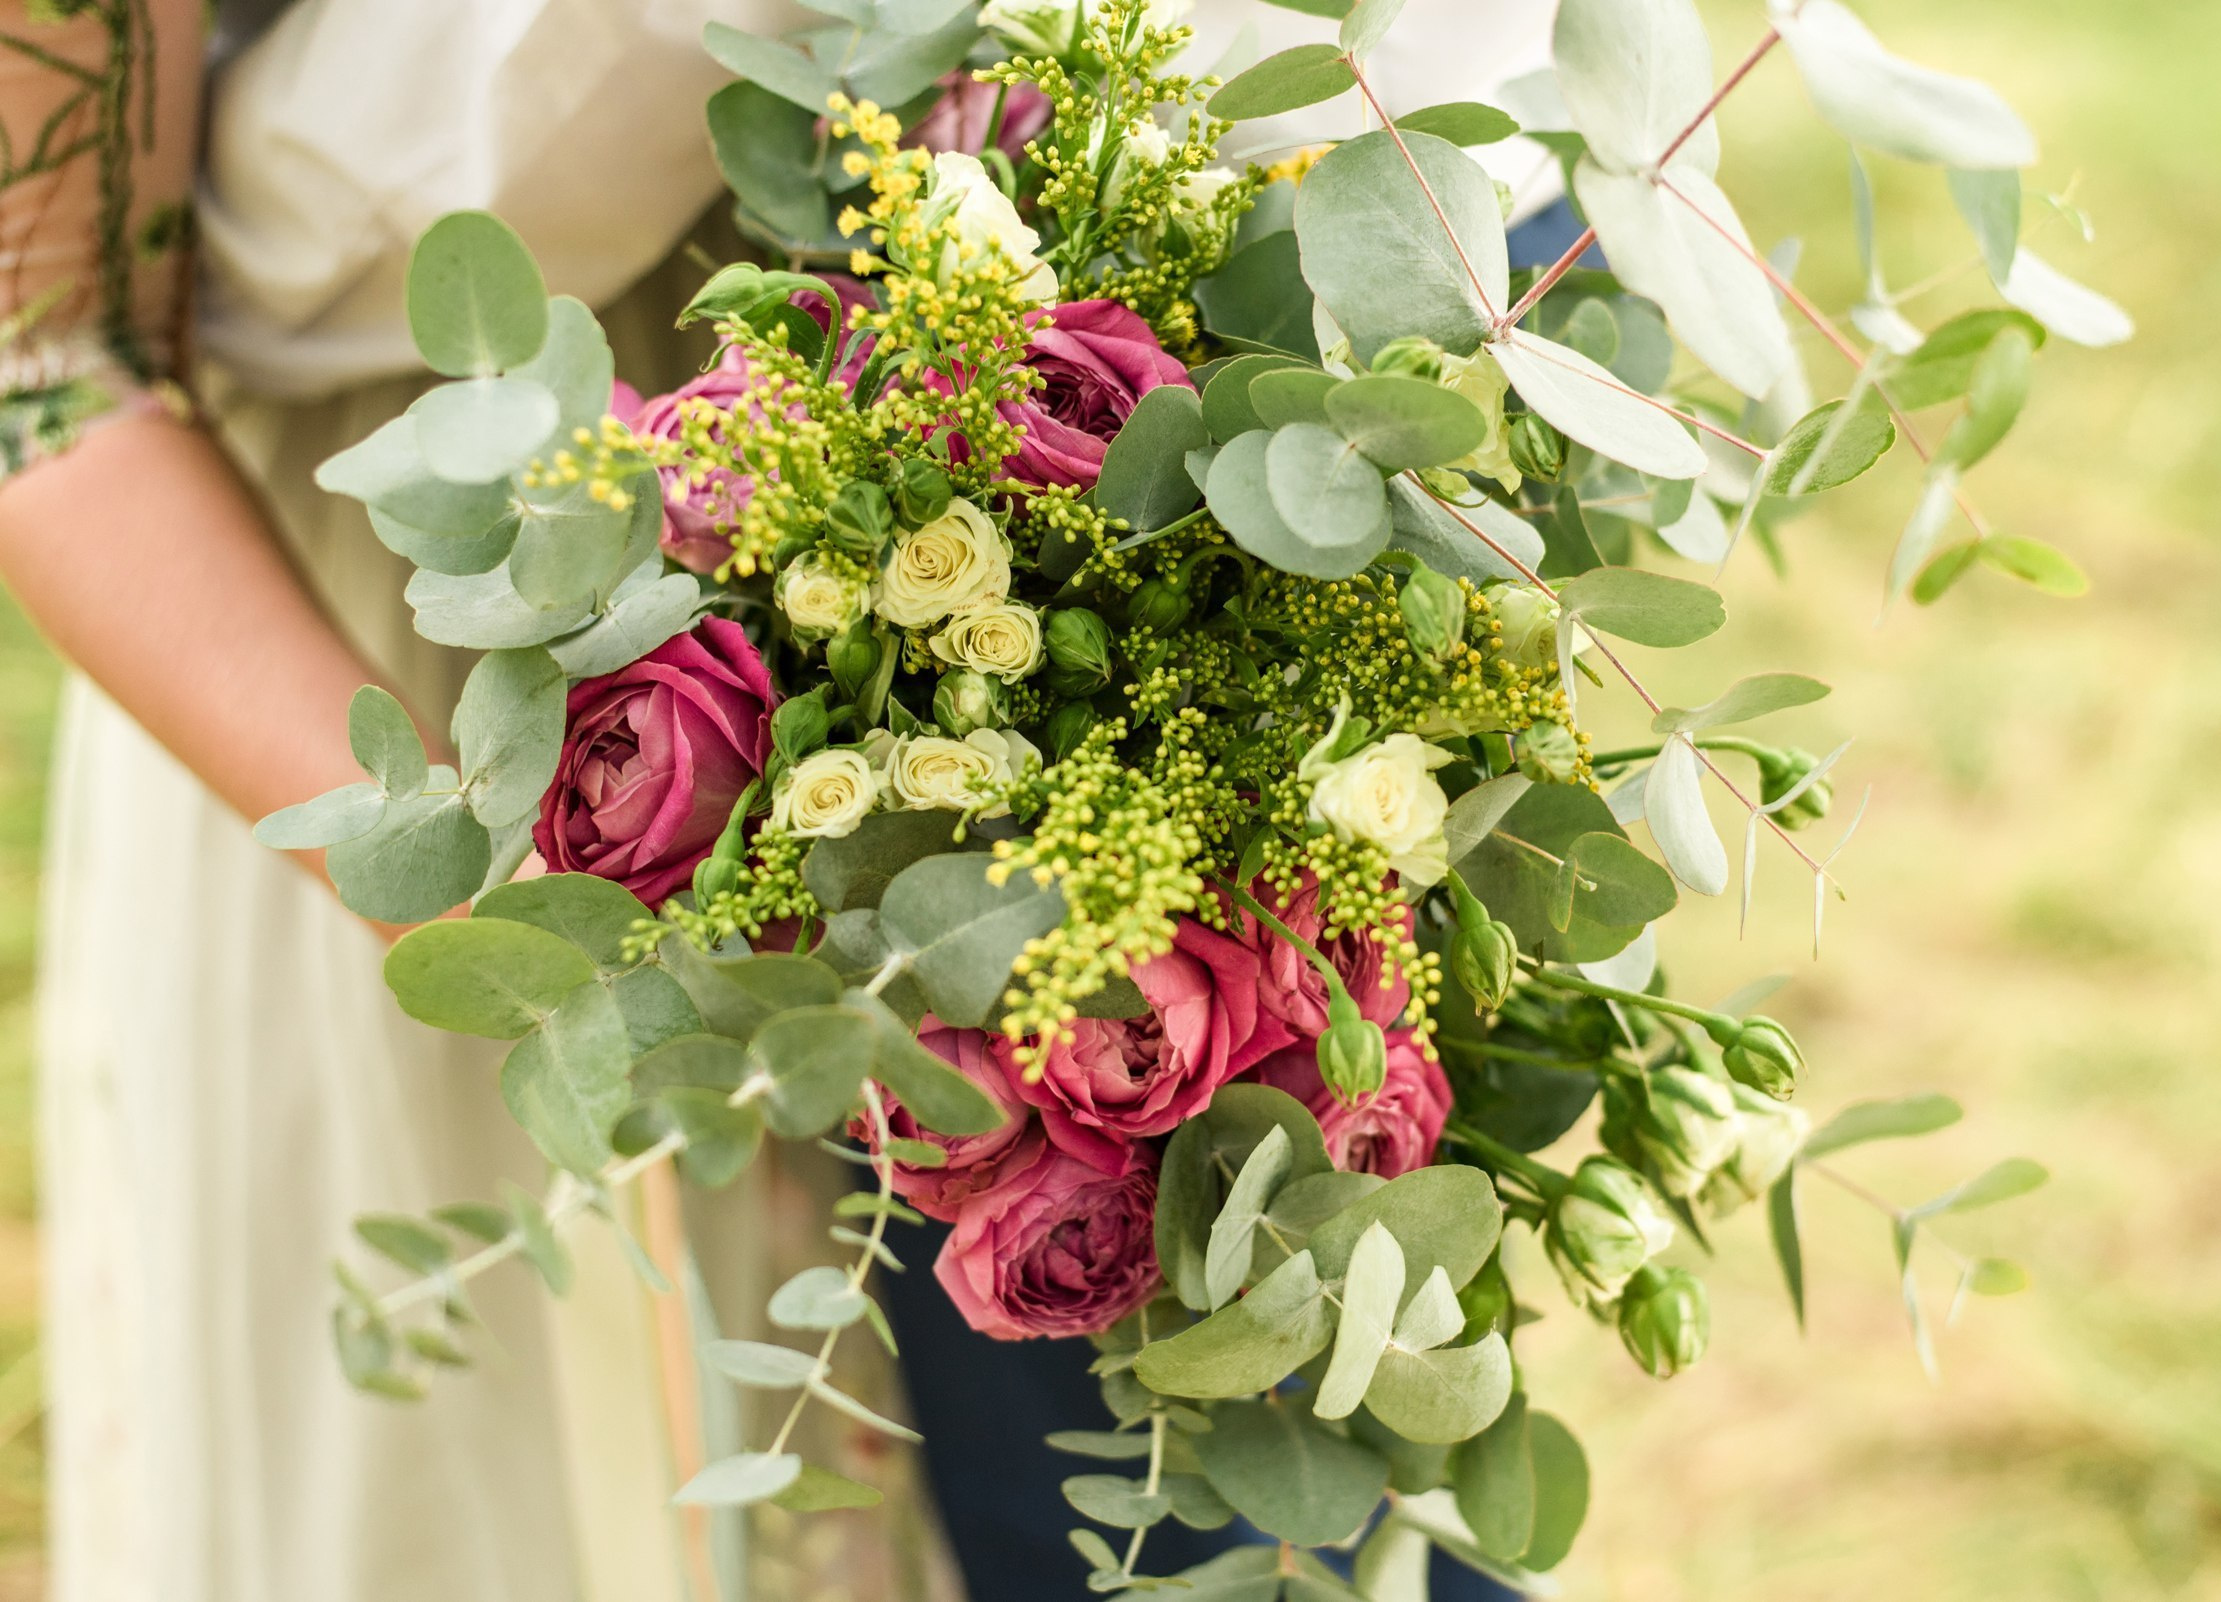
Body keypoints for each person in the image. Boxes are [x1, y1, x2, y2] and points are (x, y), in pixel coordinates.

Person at [0, 0, 1552, 1596]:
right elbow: (37, 371)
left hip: (1203, 441)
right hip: (457, 631)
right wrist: (579, 938)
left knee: (1271, 1457)